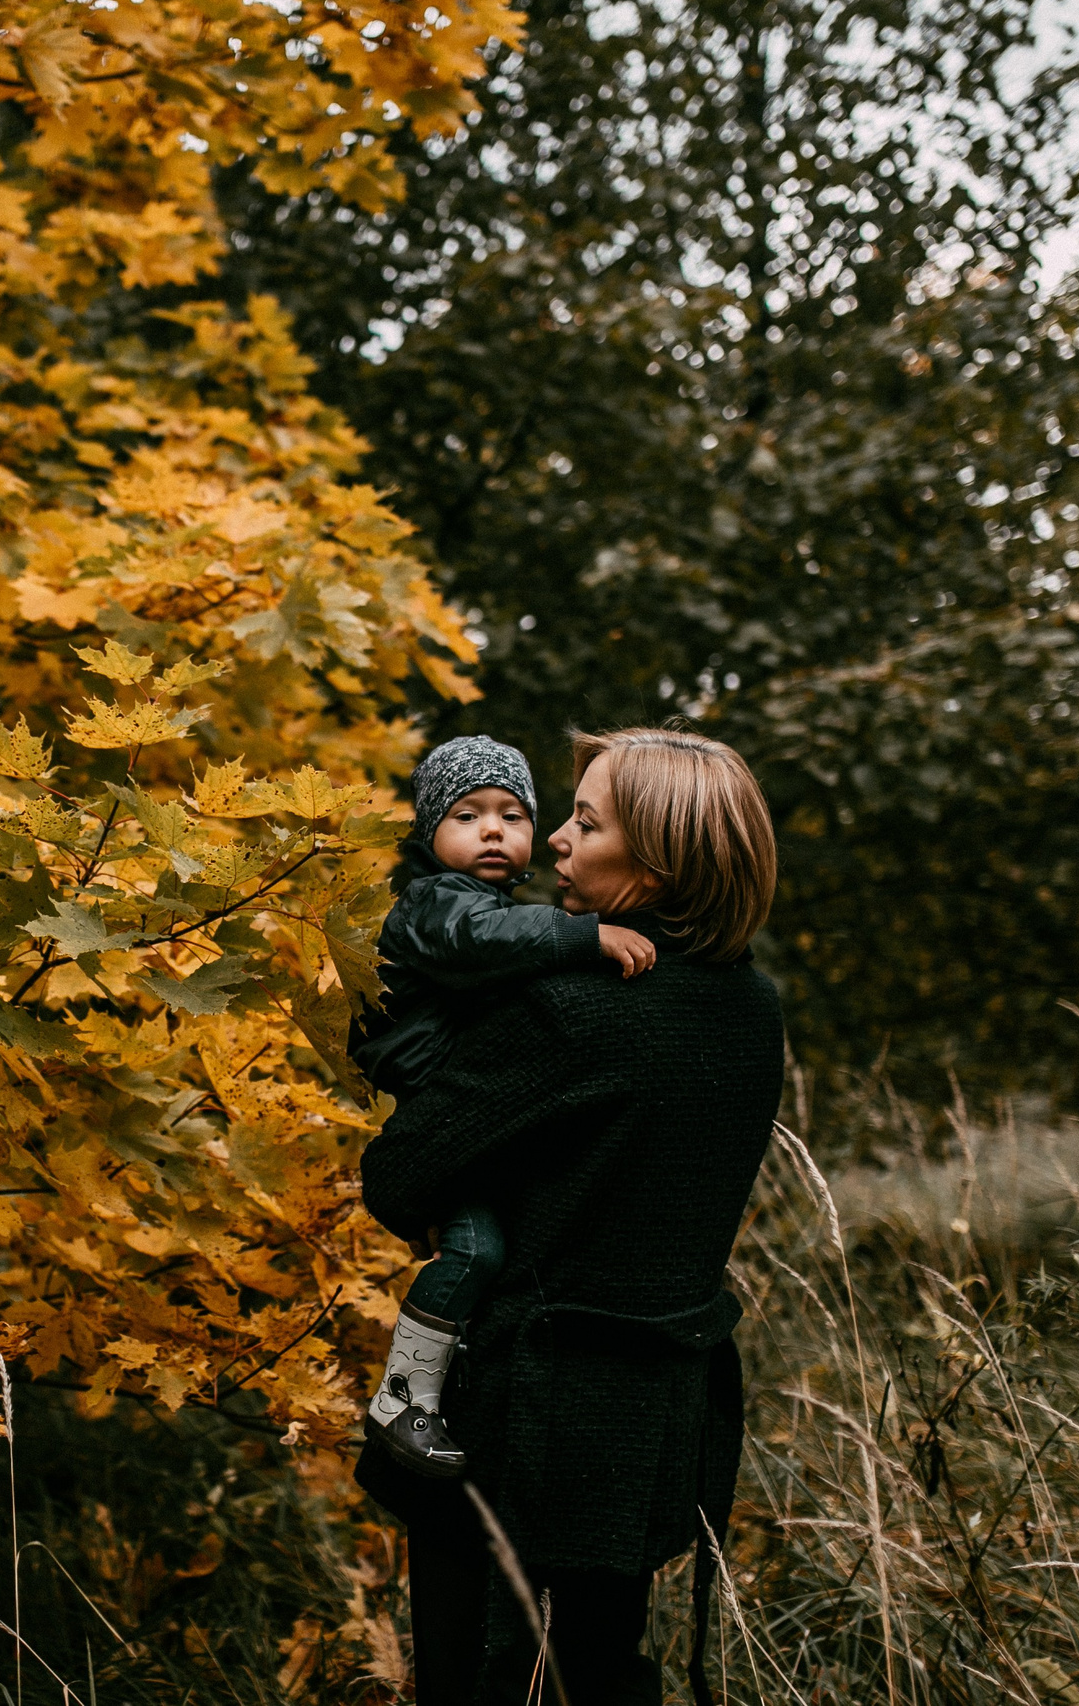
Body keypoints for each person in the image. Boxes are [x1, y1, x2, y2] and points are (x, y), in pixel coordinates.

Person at [352, 727, 784, 1706]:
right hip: (651, 1416)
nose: (553, 838)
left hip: (519, 1425)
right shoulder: (751, 1007)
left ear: (657, 864)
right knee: (599, 1668)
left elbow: (400, 1175)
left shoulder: (571, 1010)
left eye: (585, 823)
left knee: (484, 1677)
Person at [354, 735, 659, 1478]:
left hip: (468, 1109)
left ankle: (450, 1376)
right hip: (439, 1103)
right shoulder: (438, 903)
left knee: (493, 1249)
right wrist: (586, 936)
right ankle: (401, 1398)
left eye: (512, 815)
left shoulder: (498, 911)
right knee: (473, 1251)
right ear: (429, 834)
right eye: (467, 815)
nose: (493, 830)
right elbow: (483, 939)